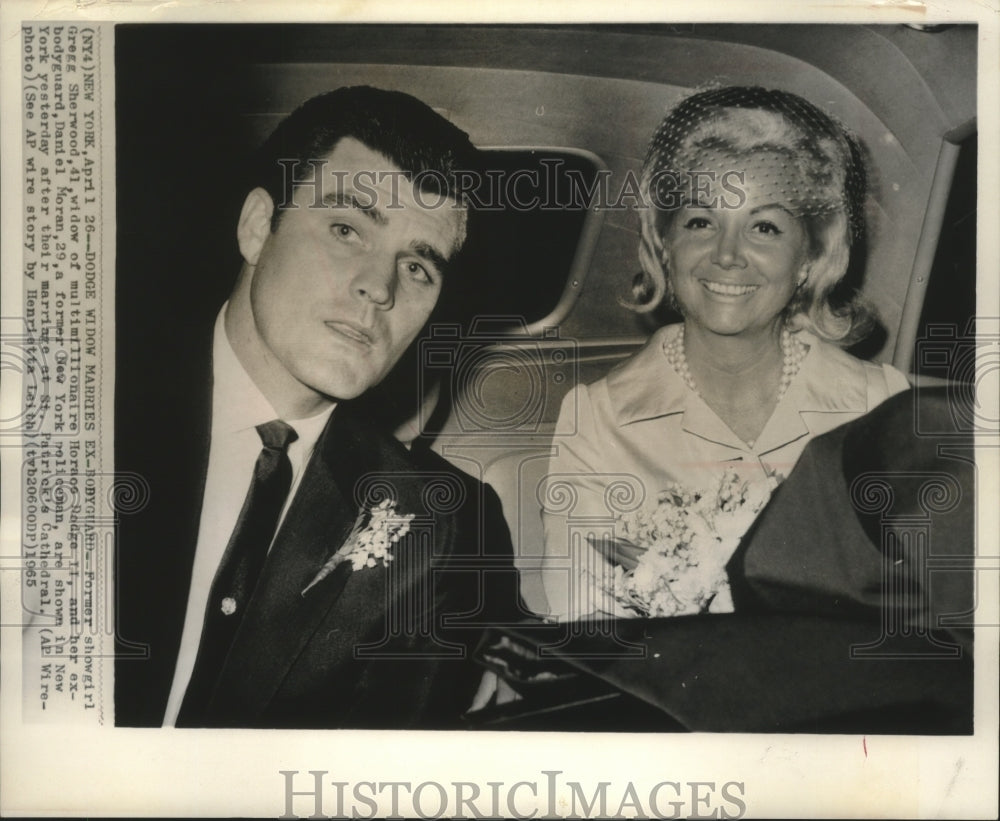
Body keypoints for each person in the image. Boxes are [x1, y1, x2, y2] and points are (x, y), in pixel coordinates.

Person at [114, 86, 520, 728]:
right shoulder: (79, 412)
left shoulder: (437, 527)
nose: (378, 288)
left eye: (418, 267)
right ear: (256, 227)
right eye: (345, 229)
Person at [540, 86, 910, 621]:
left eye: (764, 226)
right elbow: (586, 627)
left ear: (810, 255)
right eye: (700, 222)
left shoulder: (882, 405)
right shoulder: (595, 419)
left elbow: (922, 611)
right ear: (665, 244)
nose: (728, 255)